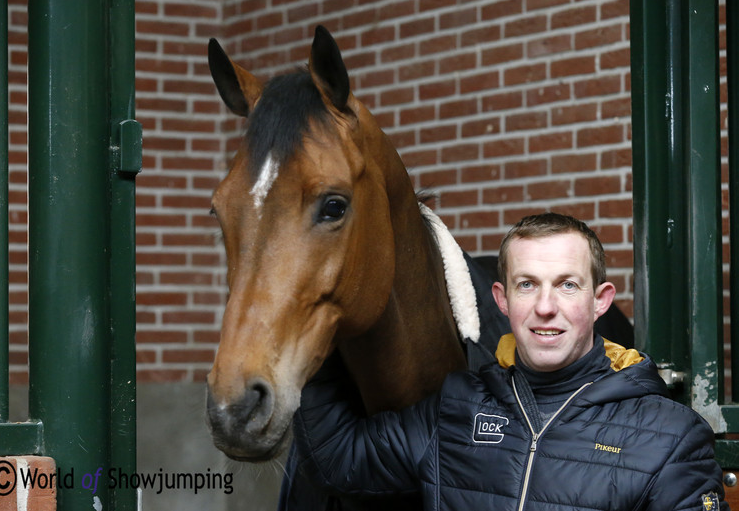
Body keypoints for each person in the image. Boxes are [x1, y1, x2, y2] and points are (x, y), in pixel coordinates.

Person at [292, 212, 728, 511]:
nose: (545, 306)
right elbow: (338, 458)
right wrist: (313, 321)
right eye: (527, 285)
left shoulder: (671, 438)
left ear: (600, 302)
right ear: (502, 300)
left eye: (567, 286)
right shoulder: (455, 410)